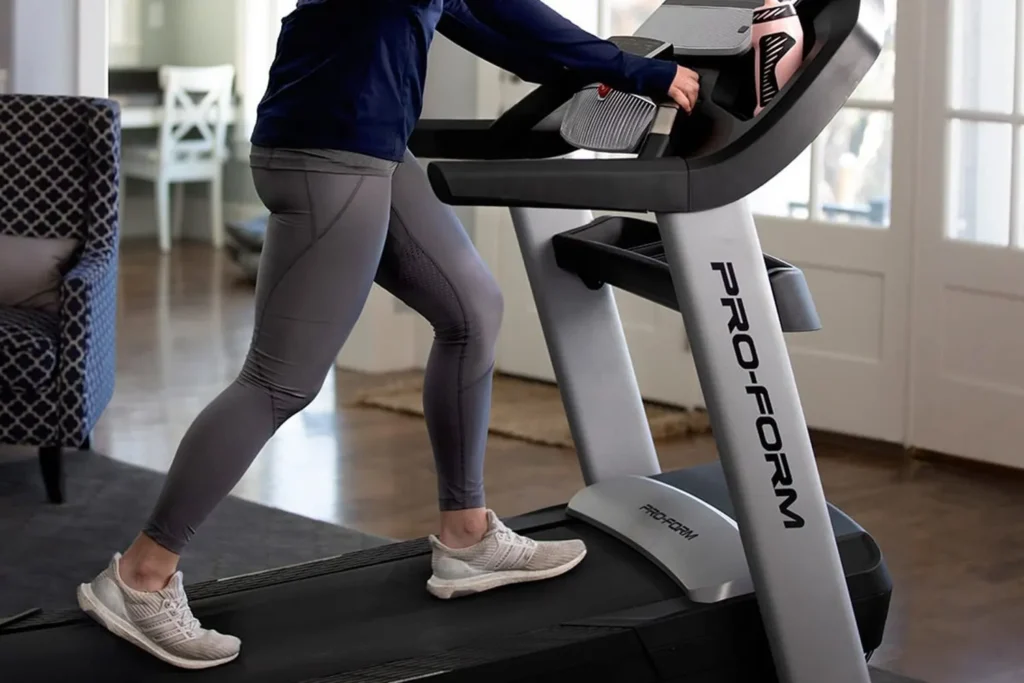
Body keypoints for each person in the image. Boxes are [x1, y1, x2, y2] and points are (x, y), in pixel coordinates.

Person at [76, 0, 702, 671]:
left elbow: (475, 14)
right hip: (331, 146)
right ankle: (141, 576)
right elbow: (505, 10)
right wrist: (633, 71)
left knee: (472, 310)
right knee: (279, 380)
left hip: (367, 139)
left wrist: (609, 69)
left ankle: (466, 536)